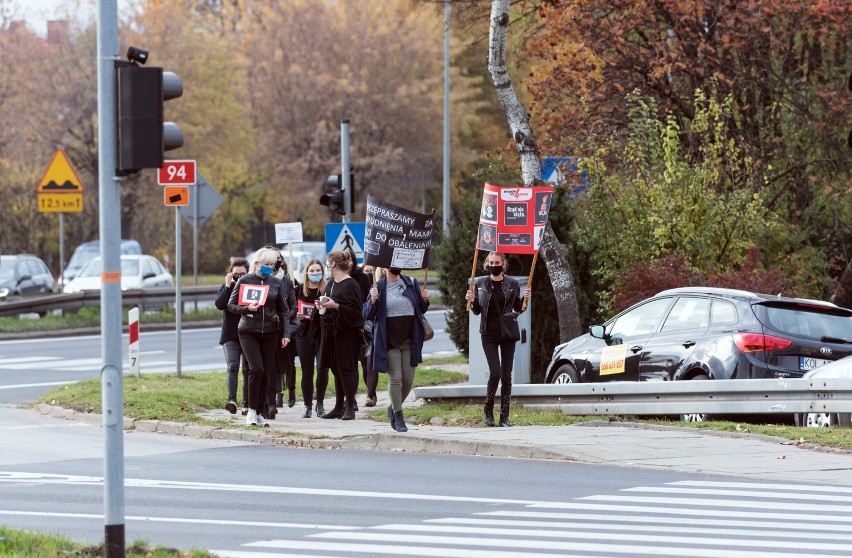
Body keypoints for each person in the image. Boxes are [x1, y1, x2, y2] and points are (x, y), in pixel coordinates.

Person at [464, 252, 531, 427]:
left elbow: (518, 308)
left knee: (507, 375)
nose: (494, 265)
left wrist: (525, 300)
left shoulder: (513, 284)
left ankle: (504, 417)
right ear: (487, 264)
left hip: (507, 331)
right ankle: (488, 409)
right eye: (491, 262)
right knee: (495, 372)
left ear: (503, 264)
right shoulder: (480, 283)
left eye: (497, 262)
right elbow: (477, 310)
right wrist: (471, 301)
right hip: (488, 333)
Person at [227, 247, 290, 427]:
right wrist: (248, 309)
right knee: (256, 369)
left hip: (270, 332)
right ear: (257, 264)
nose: (269, 267)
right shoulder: (245, 280)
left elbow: (283, 311)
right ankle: (251, 410)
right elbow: (231, 305)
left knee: (266, 372)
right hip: (248, 331)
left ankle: (261, 412)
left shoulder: (275, 283)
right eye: (266, 264)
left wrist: (285, 333)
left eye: (272, 264)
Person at [363, 266, 430, 432]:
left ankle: (392, 407)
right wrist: (372, 301)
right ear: (385, 266)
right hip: (389, 341)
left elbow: (420, 309)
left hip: (409, 339)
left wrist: (425, 300)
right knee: (396, 378)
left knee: (408, 379)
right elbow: (367, 315)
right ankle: (399, 415)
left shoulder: (410, 282)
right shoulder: (378, 287)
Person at [317, 250, 364, 420]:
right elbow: (329, 303)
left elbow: (355, 312)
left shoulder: (350, 284)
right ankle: (338, 407)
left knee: (346, 369)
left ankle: (349, 407)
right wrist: (322, 306)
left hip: (347, 333)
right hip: (332, 331)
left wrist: (336, 306)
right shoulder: (331, 283)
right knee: (335, 368)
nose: (327, 266)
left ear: (333, 264)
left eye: (328, 262)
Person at [293, 259, 329, 418]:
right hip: (303, 334)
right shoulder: (298, 291)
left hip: (322, 333)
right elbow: (288, 310)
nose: (315, 274)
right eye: (312, 271)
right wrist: (295, 315)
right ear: (306, 272)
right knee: (307, 371)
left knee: (322, 368)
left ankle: (320, 403)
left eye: (318, 270)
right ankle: (307, 406)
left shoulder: (328, 290)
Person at [266, 246, 299, 418]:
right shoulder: (260, 279)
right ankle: (274, 397)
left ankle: (290, 389)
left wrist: (284, 318)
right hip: (267, 328)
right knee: (271, 365)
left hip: (284, 328)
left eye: (276, 258)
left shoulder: (286, 281)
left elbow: (292, 305)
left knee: (286, 363)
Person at [215, 256, 249, 415]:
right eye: (236, 274)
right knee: (233, 365)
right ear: (230, 274)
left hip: (249, 333)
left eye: (242, 274)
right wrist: (228, 286)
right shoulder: (226, 288)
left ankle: (247, 403)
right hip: (230, 334)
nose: (239, 277)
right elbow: (220, 304)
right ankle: (232, 400)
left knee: (248, 369)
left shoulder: (252, 288)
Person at [345, 247, 375, 407]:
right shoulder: (339, 278)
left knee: (366, 362)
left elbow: (366, 301)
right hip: (347, 327)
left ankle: (371, 393)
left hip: (363, 325)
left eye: (350, 259)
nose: (348, 262)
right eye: (345, 259)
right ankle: (352, 398)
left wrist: (363, 322)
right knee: (350, 364)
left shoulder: (362, 278)